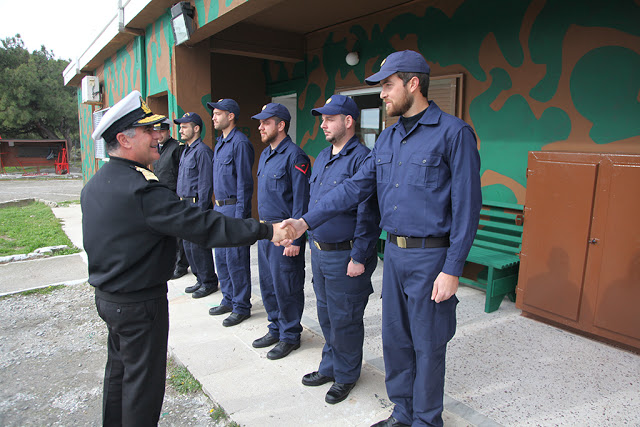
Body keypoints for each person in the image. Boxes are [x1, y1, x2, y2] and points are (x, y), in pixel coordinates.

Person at [281, 50, 482, 426]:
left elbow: (468, 209)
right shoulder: (388, 140)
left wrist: (453, 269)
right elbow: (356, 188)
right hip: (395, 257)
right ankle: (402, 412)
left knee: (428, 345)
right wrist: (305, 221)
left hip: (432, 259)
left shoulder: (453, 134)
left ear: (413, 84)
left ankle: (425, 420)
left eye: (388, 86)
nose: (383, 95)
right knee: (396, 343)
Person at [81, 90, 293, 426]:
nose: (157, 136)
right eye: (147, 131)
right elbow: (203, 225)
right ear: (123, 138)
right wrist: (267, 231)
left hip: (110, 299)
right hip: (139, 304)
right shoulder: (141, 190)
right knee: (142, 387)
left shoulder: (96, 184)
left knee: (118, 375)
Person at [302, 94, 381, 404]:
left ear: (348, 121)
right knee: (326, 315)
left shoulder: (363, 159)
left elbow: (368, 213)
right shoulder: (322, 157)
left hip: (345, 255)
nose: (323, 124)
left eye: (329, 118)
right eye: (322, 118)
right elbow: (314, 204)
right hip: (321, 252)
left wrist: (359, 256)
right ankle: (330, 365)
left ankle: (347, 375)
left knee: (345, 318)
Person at [251, 103, 310, 360]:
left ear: (281, 125)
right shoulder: (265, 154)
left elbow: (302, 200)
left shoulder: (295, 156)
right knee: (268, 283)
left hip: (286, 233)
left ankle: (289, 335)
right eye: (260, 122)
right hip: (266, 231)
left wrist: (296, 238)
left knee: (287, 284)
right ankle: (275, 327)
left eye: (266, 122)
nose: (260, 127)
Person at [206, 98, 255, 327]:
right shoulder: (220, 143)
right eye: (213, 113)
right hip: (219, 207)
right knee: (222, 259)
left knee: (236, 259)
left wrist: (241, 218)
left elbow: (245, 183)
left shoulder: (240, 143)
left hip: (234, 207)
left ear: (231, 116)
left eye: (217, 113)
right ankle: (228, 299)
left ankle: (241, 306)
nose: (213, 117)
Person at [175, 112, 218, 298]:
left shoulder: (202, 151)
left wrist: (201, 211)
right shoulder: (186, 150)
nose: (180, 130)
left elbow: (205, 183)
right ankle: (200, 279)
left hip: (196, 206)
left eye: (184, 126)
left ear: (196, 129)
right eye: (180, 126)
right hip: (184, 204)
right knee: (189, 246)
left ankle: (208, 281)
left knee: (199, 246)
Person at [151, 118, 190, 280]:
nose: (159, 135)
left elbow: (183, 174)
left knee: (179, 233)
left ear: (168, 131)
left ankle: (181, 265)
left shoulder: (176, 148)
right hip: (162, 196)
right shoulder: (157, 149)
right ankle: (173, 262)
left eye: (162, 131)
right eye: (156, 131)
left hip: (175, 194)